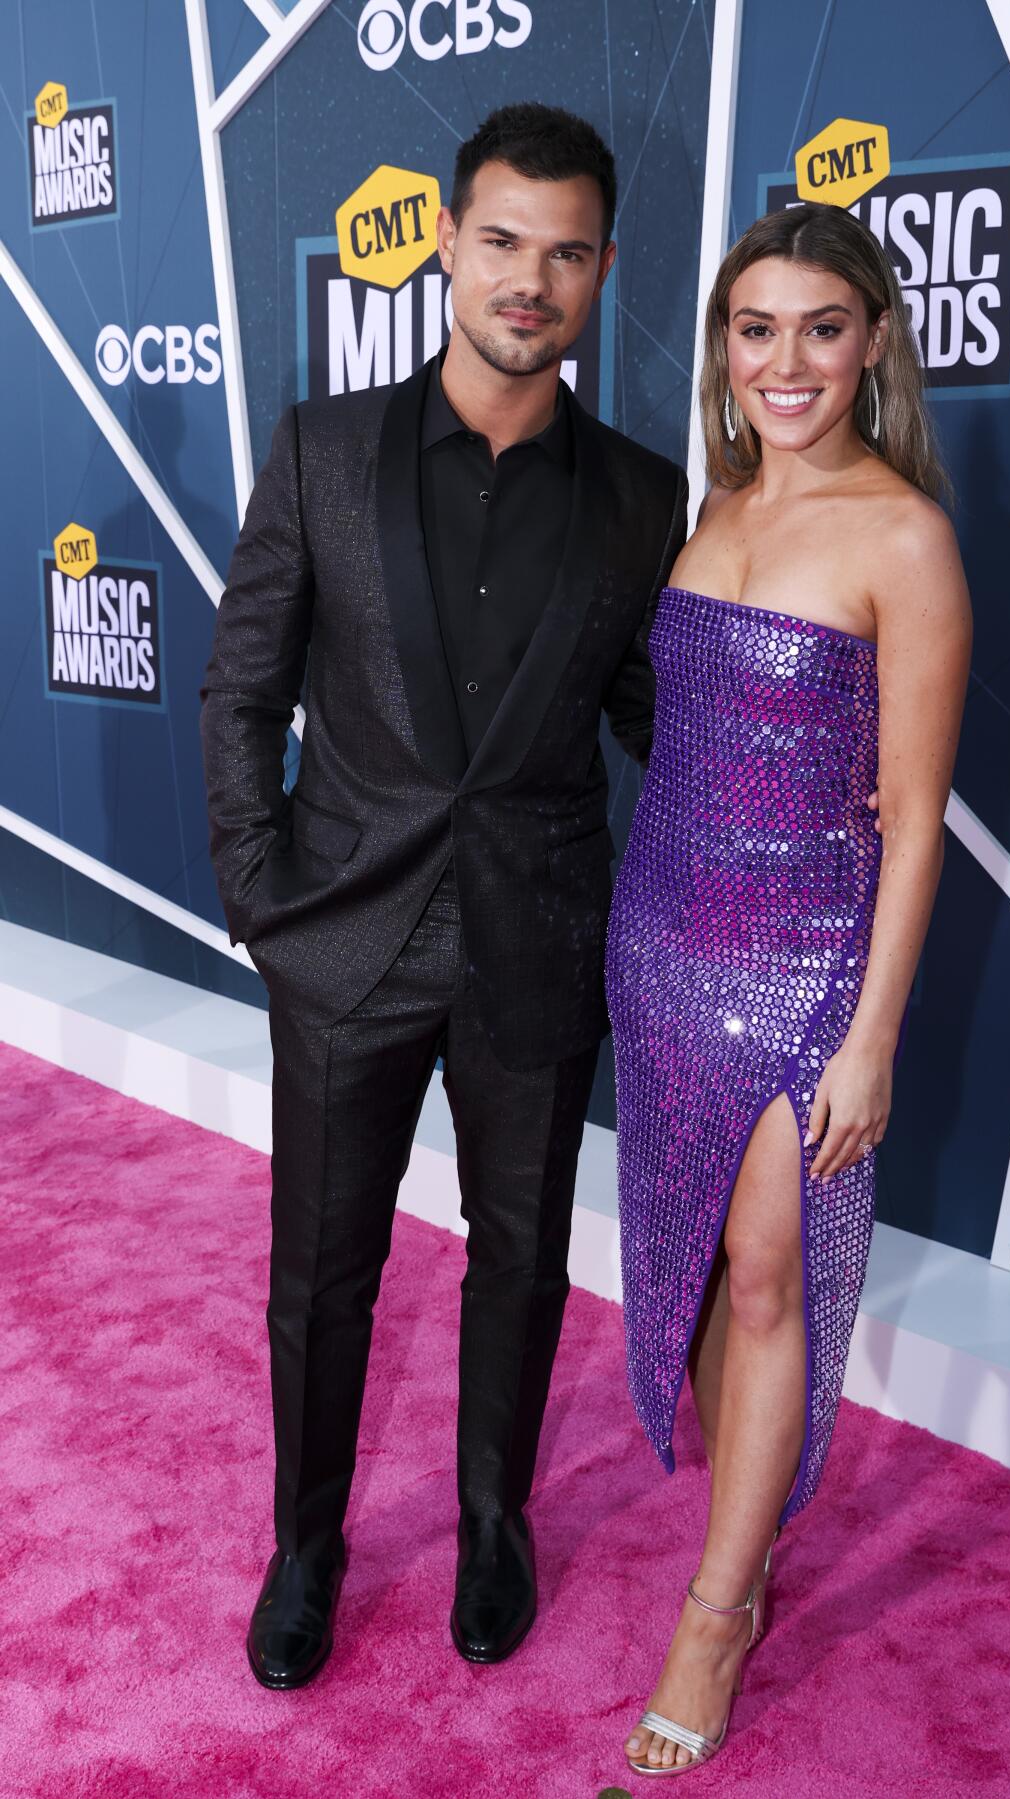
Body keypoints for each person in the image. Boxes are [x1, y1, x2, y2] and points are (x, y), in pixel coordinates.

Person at [199, 103, 688, 1688]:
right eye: (501, 242)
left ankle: (495, 1522)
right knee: (321, 1270)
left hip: (537, 936)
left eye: (563, 252)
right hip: (341, 935)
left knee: (525, 1254)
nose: (527, 281)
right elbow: (237, 693)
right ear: (447, 244)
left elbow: (650, 713)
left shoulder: (641, 495)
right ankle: (307, 1547)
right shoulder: (321, 448)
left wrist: (795, 776)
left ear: (602, 269)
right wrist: (261, 896)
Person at [605, 202, 972, 1774]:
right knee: (691, 1263)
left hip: (805, 965)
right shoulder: (718, 505)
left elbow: (915, 815)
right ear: (725, 352)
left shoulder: (904, 536)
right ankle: (736, 1535)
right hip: (661, 945)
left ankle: (720, 1607)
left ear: (875, 341)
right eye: (758, 330)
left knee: (766, 1272)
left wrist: (872, 1035)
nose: (789, 360)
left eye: (823, 327)